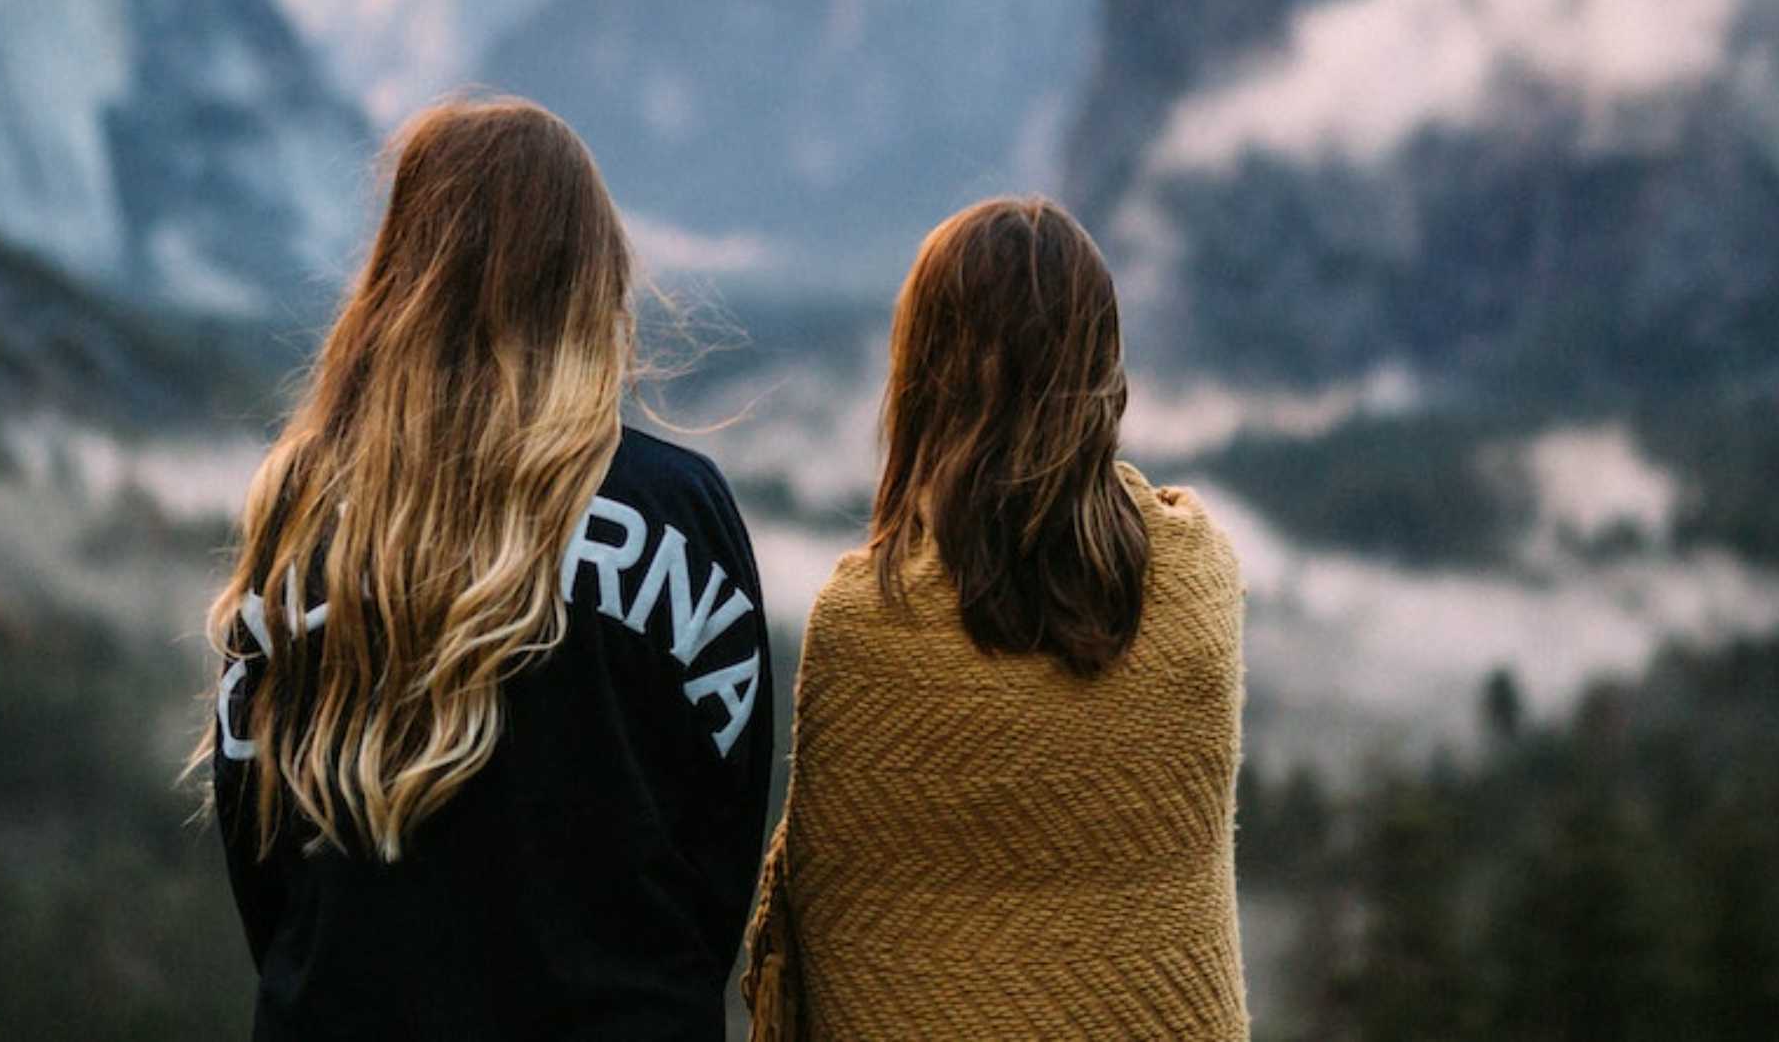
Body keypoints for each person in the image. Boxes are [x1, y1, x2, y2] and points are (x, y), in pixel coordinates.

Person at [203, 98, 773, 1041]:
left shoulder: (303, 511)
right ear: (594, 281)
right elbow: (722, 843)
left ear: (400, 278)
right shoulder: (682, 510)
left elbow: (256, 840)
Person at [744, 196, 1247, 1041]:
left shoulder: (864, 626)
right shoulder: (1196, 580)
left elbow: (837, 928)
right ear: (1105, 371)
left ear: (923, 375)